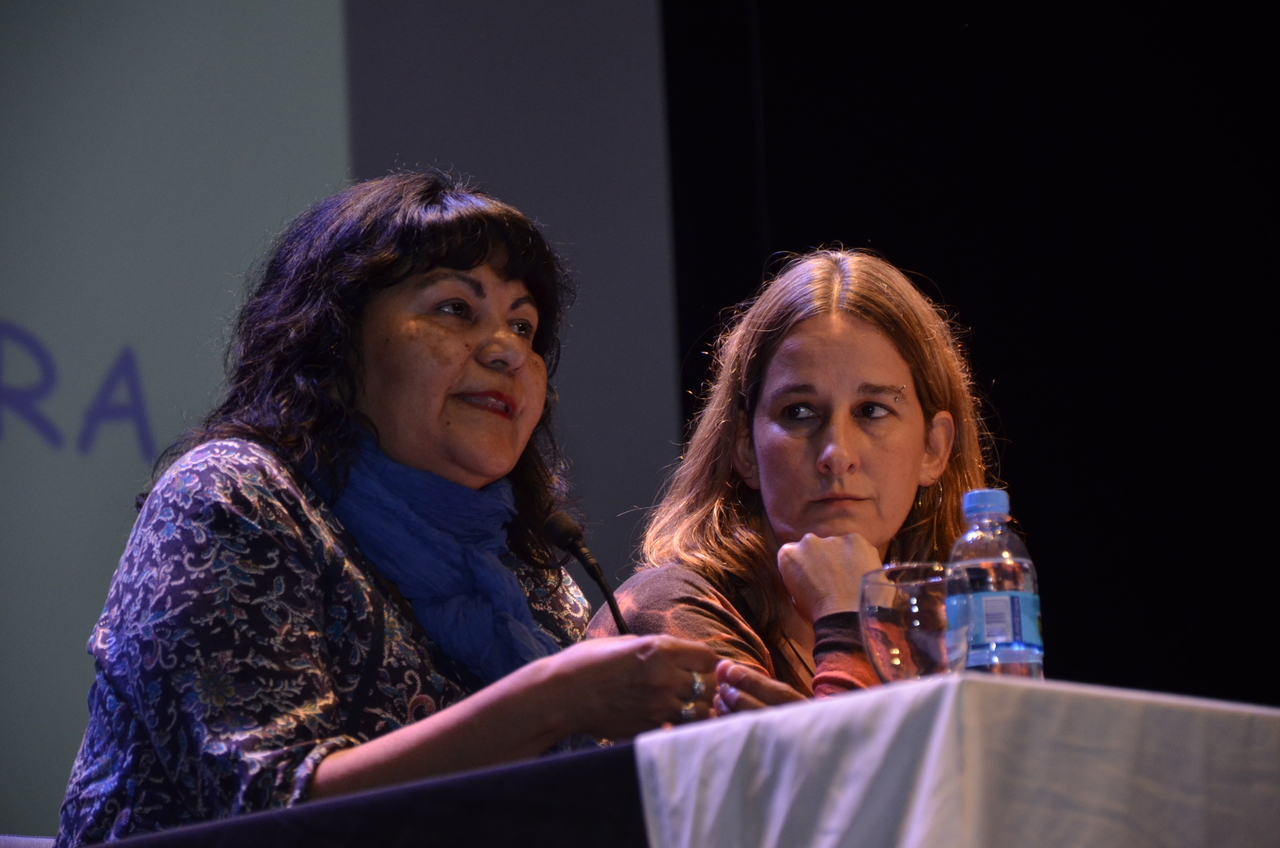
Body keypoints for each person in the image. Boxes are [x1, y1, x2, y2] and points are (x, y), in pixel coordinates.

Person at [57, 172, 718, 845]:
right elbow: (267, 812)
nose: (508, 350)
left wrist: (724, 736)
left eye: (524, 325)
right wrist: (550, 703)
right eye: (455, 308)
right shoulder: (233, 498)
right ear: (335, 338)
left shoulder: (524, 570)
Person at [587, 249, 988, 711]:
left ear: (933, 448)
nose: (837, 454)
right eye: (799, 412)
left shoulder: (935, 633)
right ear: (745, 447)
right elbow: (841, 761)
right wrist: (844, 620)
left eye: (872, 411)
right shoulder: (670, 612)